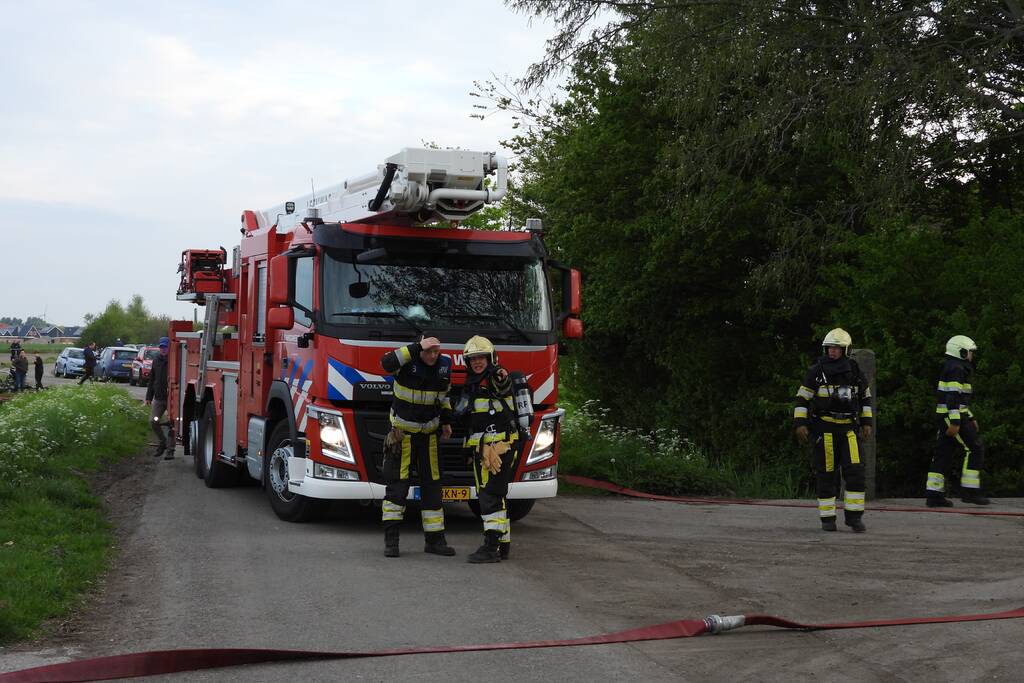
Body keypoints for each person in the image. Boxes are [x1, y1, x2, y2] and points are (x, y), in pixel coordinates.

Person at [379, 336, 455, 558]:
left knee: (433, 489)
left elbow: (444, 397)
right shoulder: (405, 361)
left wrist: (447, 421)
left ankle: (435, 541)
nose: (433, 356)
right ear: (420, 349)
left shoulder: (444, 365)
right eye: (428, 351)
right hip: (402, 437)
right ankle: (391, 542)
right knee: (397, 489)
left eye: (436, 351)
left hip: (429, 438)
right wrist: (415, 347)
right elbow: (386, 363)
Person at [794, 328, 873, 533]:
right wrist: (800, 424)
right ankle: (828, 518)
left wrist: (867, 423)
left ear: (846, 350)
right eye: (829, 348)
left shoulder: (854, 371)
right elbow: (802, 399)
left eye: (837, 349)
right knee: (827, 475)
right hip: (825, 429)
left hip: (849, 430)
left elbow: (865, 397)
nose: (832, 352)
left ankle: (854, 518)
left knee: (855, 472)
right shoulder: (816, 372)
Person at [456, 336, 520, 562]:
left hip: (498, 447)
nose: (477, 362)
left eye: (481, 358)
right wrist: (467, 448)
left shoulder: (496, 376)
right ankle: (503, 543)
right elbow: (472, 422)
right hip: (482, 448)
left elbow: (503, 383)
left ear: (491, 358)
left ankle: (490, 547)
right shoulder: (473, 383)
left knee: (489, 495)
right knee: (496, 495)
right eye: (473, 359)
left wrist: (500, 375)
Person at [925, 335, 989, 507]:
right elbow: (952, 398)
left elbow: (960, 400)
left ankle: (934, 495)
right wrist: (955, 422)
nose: (971, 355)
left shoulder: (955, 367)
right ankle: (970, 492)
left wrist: (970, 416)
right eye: (969, 352)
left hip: (951, 415)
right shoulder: (957, 369)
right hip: (952, 416)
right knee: (974, 447)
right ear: (961, 352)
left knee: (943, 453)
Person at [145, 337, 175, 460]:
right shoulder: (156, 359)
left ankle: (170, 450)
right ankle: (162, 442)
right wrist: (148, 397)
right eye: (161, 347)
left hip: (171, 398)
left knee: (173, 424)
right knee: (153, 421)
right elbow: (152, 379)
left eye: (165, 347)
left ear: (169, 348)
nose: (163, 349)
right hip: (158, 397)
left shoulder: (174, 360)